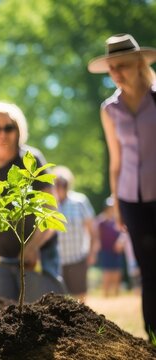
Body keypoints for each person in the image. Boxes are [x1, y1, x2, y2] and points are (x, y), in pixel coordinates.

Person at [88, 33, 156, 336]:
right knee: (148, 272)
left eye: (122, 66)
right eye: (111, 68)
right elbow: (115, 161)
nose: (116, 73)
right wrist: (116, 204)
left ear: (139, 63)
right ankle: (153, 337)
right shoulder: (109, 109)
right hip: (130, 199)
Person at [0, 101, 61, 303]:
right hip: (1, 255)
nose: (3, 134)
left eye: (8, 128)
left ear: (18, 130)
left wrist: (33, 246)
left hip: (38, 254)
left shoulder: (32, 160)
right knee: (0, 310)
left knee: (40, 311)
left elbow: (50, 211)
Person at [53, 166, 99, 303]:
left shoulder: (80, 202)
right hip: (57, 261)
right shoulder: (48, 205)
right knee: (58, 298)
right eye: (57, 184)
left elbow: (92, 229)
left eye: (63, 184)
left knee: (80, 297)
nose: (60, 187)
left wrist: (92, 252)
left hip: (77, 258)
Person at [95, 197, 126, 297]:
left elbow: (123, 233)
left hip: (116, 251)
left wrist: (120, 242)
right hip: (105, 250)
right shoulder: (101, 221)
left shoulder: (117, 220)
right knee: (107, 272)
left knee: (117, 272)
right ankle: (106, 294)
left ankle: (116, 294)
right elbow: (96, 234)